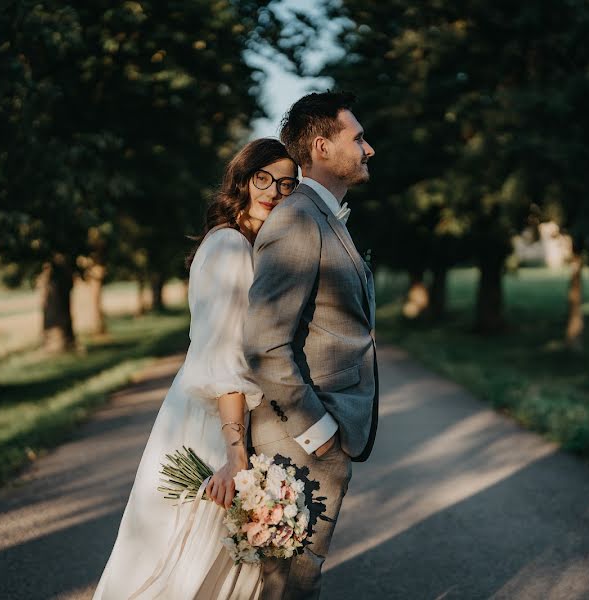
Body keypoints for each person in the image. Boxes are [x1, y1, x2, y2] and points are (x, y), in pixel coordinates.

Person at [93, 138, 299, 600]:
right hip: (213, 423)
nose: (273, 191)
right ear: (242, 181)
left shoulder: (239, 244)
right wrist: (236, 455)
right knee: (191, 561)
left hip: (202, 411)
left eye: (286, 184)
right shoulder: (230, 247)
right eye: (263, 178)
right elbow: (227, 358)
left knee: (196, 558)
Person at [243, 91, 379, 599]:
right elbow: (263, 342)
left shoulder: (323, 216)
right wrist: (318, 432)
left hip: (320, 438)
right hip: (301, 443)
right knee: (291, 587)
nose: (369, 149)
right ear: (321, 147)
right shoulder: (299, 220)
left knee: (300, 582)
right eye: (358, 138)